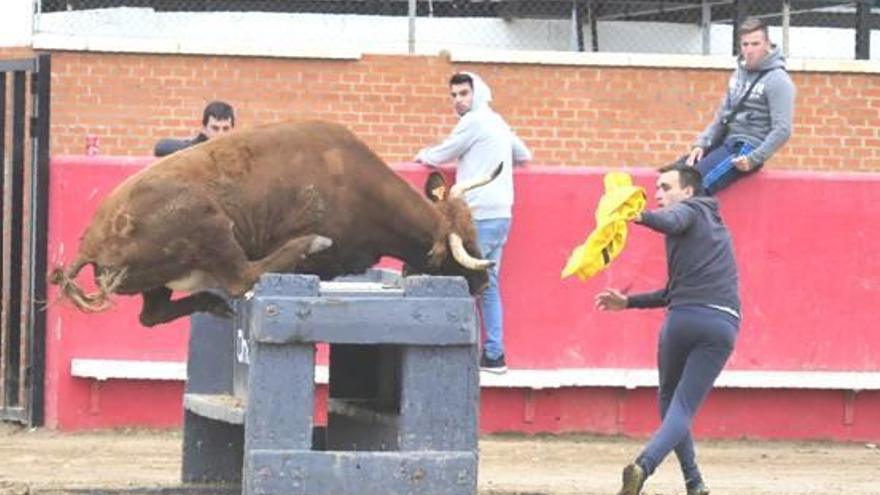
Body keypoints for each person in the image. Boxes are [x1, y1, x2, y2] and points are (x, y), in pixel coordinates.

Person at [595, 164, 740, 495]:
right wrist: (628, 302)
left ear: (688, 191)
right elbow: (671, 291)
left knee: (671, 400)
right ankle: (692, 482)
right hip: (719, 323)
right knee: (682, 406)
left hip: (682, 321)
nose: (658, 194)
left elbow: (670, 220)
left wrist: (637, 215)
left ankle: (651, 468)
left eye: (665, 187)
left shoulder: (688, 210)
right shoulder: (712, 226)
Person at [414, 71, 531, 374]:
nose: (457, 101)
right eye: (453, 95)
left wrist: (421, 155)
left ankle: (461, 356)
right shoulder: (497, 121)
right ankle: (494, 355)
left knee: (462, 280)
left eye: (463, 94)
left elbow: (441, 155)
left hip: (477, 216)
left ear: (476, 93)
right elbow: (524, 155)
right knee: (488, 284)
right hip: (502, 213)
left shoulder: (474, 121)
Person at [685, 17, 795, 194]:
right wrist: (702, 144)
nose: (749, 50)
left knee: (693, 187)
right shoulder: (738, 74)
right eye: (745, 45)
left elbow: (783, 129)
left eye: (755, 44)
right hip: (725, 142)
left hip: (747, 147)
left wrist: (753, 158)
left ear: (767, 44)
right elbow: (722, 115)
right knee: (677, 176)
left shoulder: (778, 80)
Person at [154, 100, 235, 157]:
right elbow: (161, 147)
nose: (220, 134)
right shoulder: (195, 146)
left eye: (226, 129)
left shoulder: (237, 153)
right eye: (215, 128)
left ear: (232, 130)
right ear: (204, 129)